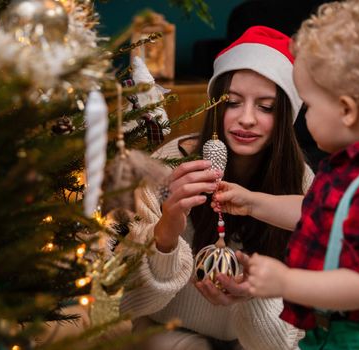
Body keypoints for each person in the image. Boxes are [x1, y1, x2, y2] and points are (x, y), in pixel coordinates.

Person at [213, 0, 359, 348]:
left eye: (310, 105)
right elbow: (317, 212)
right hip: (327, 329)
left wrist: (286, 282)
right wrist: (254, 202)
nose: (305, 118)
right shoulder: (351, 162)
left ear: (346, 110)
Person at [120, 26, 314, 350]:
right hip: (169, 329)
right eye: (233, 102)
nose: (247, 119)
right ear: (215, 106)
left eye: (265, 107)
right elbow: (135, 300)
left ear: (285, 117)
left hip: (252, 339)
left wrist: (253, 294)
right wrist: (166, 231)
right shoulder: (167, 164)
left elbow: (281, 342)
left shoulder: (303, 186)